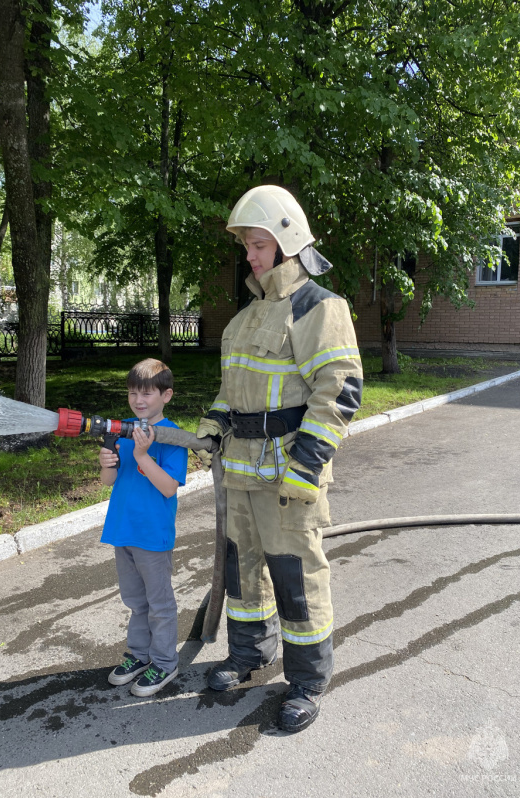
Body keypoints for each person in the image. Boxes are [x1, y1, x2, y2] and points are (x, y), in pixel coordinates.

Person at [196, 185, 363, 732]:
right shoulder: (246, 317)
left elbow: (337, 392)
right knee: (242, 574)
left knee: (295, 577)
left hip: (289, 474)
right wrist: (213, 424)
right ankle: (250, 654)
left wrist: (308, 468)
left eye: (258, 244)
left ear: (288, 242)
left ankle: (309, 680)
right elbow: (233, 391)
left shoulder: (320, 308)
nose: (249, 254)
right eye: (246, 244)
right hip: (240, 474)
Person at [100, 358, 188, 697]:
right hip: (123, 530)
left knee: (159, 603)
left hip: (152, 535)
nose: (139, 400)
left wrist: (142, 456)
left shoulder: (171, 436)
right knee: (136, 601)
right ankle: (139, 655)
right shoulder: (121, 431)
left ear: (166, 395)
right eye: (133, 392)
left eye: (147, 393)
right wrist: (106, 462)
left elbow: (168, 487)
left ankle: (165, 662)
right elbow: (109, 481)